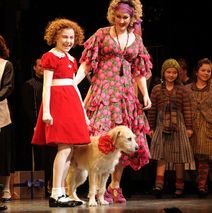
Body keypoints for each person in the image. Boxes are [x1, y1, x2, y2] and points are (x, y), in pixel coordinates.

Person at [75, 0, 152, 203]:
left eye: (125, 17)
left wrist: (145, 94)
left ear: (132, 18)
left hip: (126, 96)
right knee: (100, 139)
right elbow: (87, 63)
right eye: (118, 17)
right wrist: (73, 83)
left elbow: (140, 72)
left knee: (124, 142)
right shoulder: (102, 34)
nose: (121, 21)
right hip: (104, 94)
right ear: (112, 15)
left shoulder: (136, 40)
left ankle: (114, 186)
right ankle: (94, 187)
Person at [31, 18, 91, 207]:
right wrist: (46, 112)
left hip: (71, 103)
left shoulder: (72, 60)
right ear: (55, 37)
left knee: (70, 149)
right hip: (58, 104)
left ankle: (61, 192)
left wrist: (84, 114)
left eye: (72, 37)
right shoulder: (50, 56)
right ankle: (55, 193)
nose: (68, 41)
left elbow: (74, 87)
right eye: (64, 37)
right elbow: (46, 87)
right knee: (64, 147)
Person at [147, 59, 194, 198]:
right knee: (162, 154)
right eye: (168, 72)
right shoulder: (156, 89)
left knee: (178, 156)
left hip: (178, 125)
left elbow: (187, 109)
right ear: (163, 73)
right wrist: (151, 127)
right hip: (161, 124)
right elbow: (152, 110)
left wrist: (189, 127)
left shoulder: (182, 90)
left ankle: (179, 186)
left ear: (178, 74)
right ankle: (159, 185)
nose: (171, 75)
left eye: (174, 72)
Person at [185, 58, 212, 198]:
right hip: (191, 127)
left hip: (208, 127)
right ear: (196, 72)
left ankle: (202, 186)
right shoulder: (187, 89)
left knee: (205, 157)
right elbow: (183, 108)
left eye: (209, 71)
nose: (206, 73)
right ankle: (198, 182)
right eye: (203, 70)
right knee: (192, 157)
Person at [21, 58, 56, 196]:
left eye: (44, 66)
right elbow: (28, 108)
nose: (42, 68)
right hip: (36, 126)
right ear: (35, 68)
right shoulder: (29, 85)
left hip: (51, 126)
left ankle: (52, 186)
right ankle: (40, 188)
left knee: (52, 157)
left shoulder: (52, 84)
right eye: (40, 66)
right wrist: (36, 124)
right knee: (40, 158)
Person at [0, 34, 15, 204]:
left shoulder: (5, 65)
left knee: (4, 153)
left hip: (1, 114)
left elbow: (8, 87)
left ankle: (5, 188)